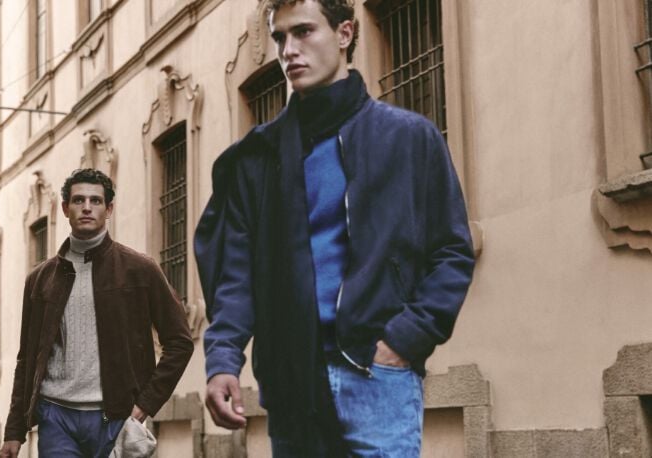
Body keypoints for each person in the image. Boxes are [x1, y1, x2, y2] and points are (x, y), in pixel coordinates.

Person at [194, 0, 475, 456]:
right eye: (281, 37)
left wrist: (404, 340)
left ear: (344, 34)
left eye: (304, 32)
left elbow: (451, 252)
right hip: (293, 382)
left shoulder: (408, 138)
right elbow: (236, 274)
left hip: (379, 374)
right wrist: (223, 358)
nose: (289, 50)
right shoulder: (256, 159)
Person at [0, 169, 193, 458]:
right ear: (65, 208)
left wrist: (144, 406)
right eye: (78, 200)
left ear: (109, 209)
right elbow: (27, 359)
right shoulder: (40, 279)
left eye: (96, 201)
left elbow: (180, 342)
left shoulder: (140, 270)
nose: (87, 207)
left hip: (115, 417)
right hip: (56, 417)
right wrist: (14, 430)